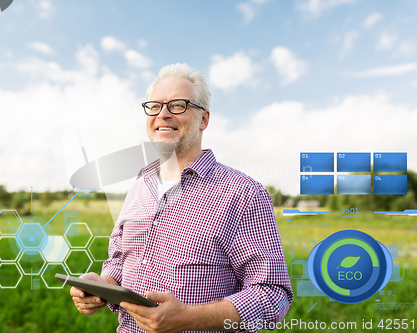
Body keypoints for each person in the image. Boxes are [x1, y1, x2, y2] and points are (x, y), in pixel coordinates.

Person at [70, 63, 293, 333]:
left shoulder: (244, 193)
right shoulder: (140, 185)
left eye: (178, 105)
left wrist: (188, 318)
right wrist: (103, 285)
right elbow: (120, 259)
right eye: (154, 106)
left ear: (204, 119)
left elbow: (273, 297)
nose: (163, 114)